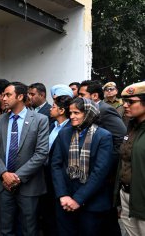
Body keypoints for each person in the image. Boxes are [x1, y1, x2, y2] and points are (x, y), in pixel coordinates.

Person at [0, 82, 49, 236]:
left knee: (29, 229)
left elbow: (41, 153)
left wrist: (17, 177)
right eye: (3, 95)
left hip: (29, 185)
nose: (3, 98)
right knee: (5, 229)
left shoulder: (40, 120)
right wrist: (4, 173)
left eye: (8, 94)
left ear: (20, 96)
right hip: (3, 185)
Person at [51, 97, 114, 236]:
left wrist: (78, 199)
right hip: (65, 202)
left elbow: (100, 172)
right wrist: (63, 195)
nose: (72, 116)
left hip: (92, 204)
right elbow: (55, 165)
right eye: (70, 113)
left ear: (88, 113)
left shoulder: (103, 136)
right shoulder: (64, 133)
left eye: (76, 113)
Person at [79, 80, 127, 236]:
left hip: (104, 173)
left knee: (106, 216)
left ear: (94, 95)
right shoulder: (86, 112)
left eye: (82, 95)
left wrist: (105, 163)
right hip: (92, 171)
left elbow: (120, 137)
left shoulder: (104, 110)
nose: (79, 98)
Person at [39, 95, 72, 236]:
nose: (50, 109)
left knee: (62, 218)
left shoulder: (71, 128)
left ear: (62, 110)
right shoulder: (52, 125)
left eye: (53, 106)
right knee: (48, 213)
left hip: (61, 177)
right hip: (46, 174)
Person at [117, 81, 145, 236]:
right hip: (126, 195)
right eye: (124, 101)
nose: (125, 105)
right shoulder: (131, 126)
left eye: (131, 101)